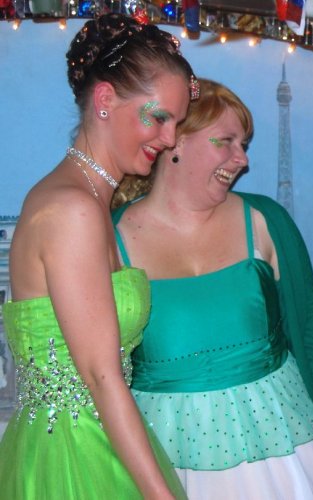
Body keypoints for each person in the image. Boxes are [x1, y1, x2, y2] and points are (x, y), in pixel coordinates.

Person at [111, 78, 313, 499]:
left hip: (280, 450)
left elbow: (311, 330)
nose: (242, 159)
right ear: (174, 141)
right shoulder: (109, 238)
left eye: (245, 144)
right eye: (226, 142)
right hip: (161, 454)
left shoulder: (266, 220)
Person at [0, 13, 195, 499]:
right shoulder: (72, 209)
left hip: (92, 441)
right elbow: (101, 376)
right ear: (105, 100)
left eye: (176, 123)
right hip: (75, 457)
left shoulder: (84, 201)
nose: (170, 139)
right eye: (159, 117)